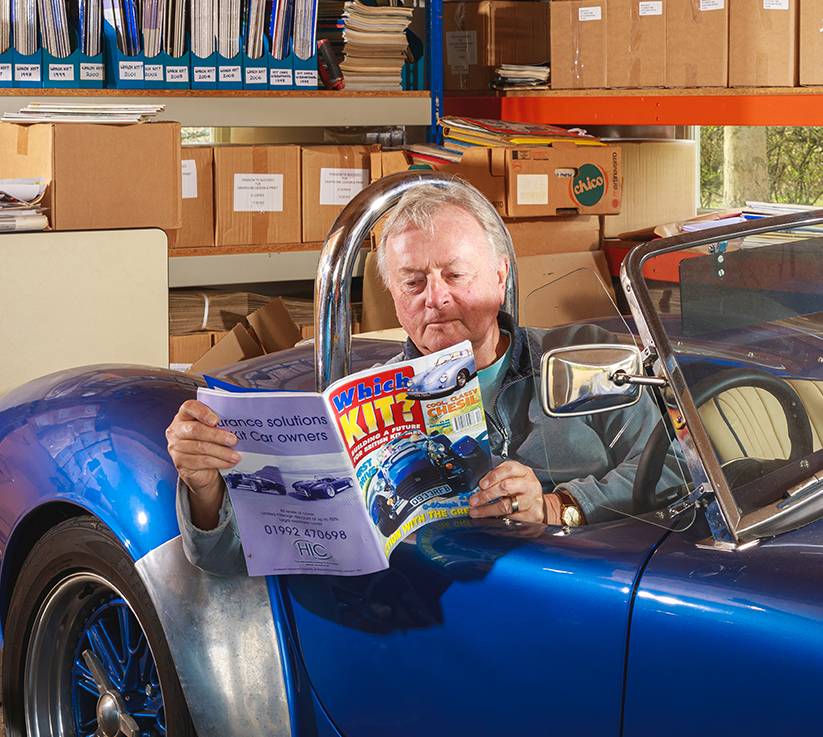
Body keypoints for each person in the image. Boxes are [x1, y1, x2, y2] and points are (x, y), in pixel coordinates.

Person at [167, 179, 670, 575]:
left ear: (500, 278)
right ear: (395, 297)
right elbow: (233, 557)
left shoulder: (581, 357)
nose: (436, 297)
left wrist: (559, 506)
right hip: (428, 621)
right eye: (413, 282)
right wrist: (204, 486)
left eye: (455, 275)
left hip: (586, 597)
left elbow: (673, 473)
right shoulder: (356, 408)